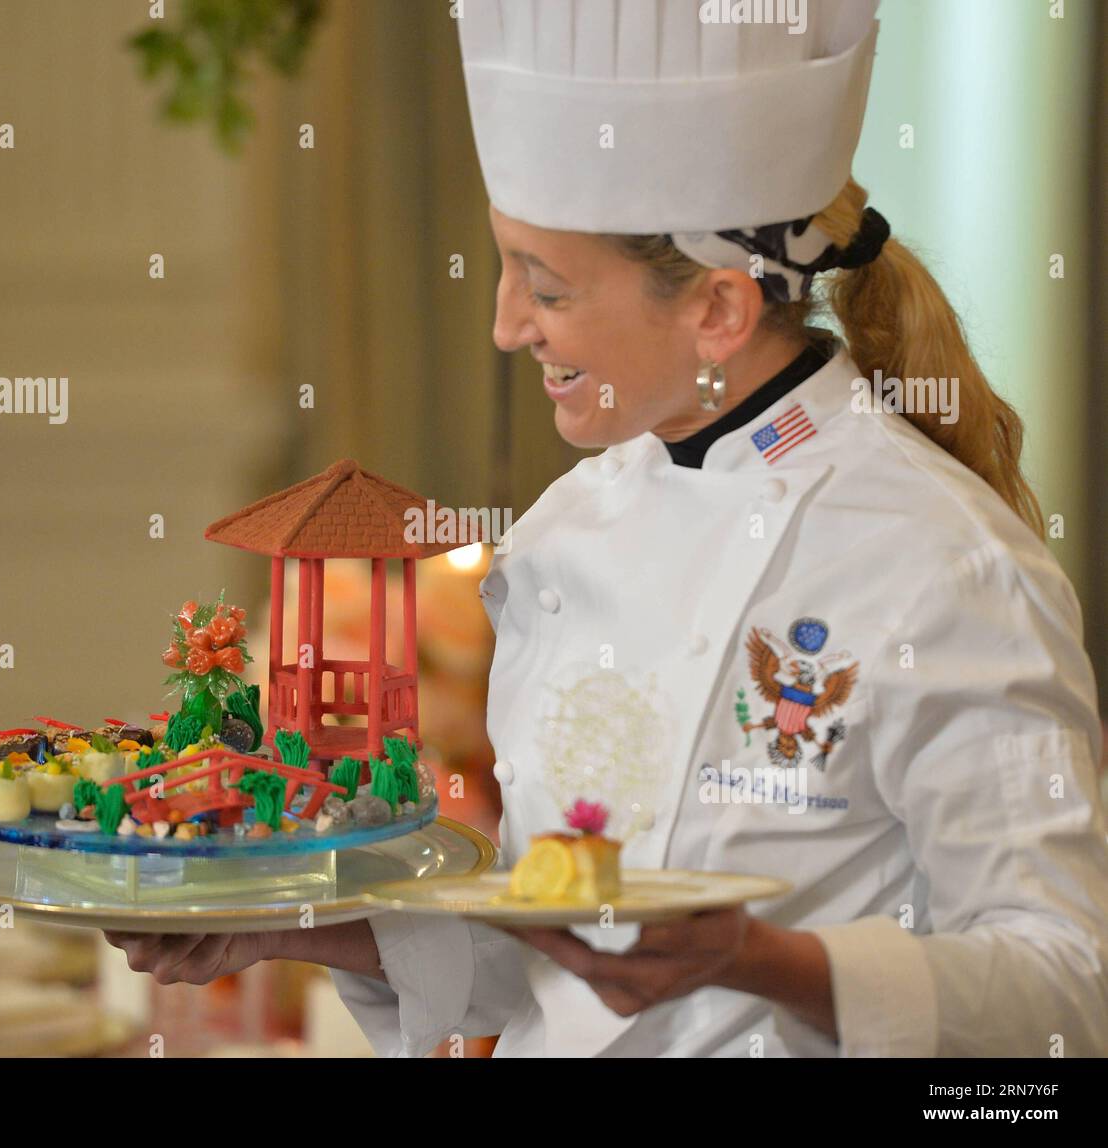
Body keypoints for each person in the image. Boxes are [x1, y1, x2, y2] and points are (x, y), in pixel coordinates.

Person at [106, 0, 1108, 1057]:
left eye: (547, 286)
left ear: (717, 310)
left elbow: (1066, 986)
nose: (504, 325)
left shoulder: (944, 561)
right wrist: (278, 922)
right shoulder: (561, 535)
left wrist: (762, 958)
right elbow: (537, 961)